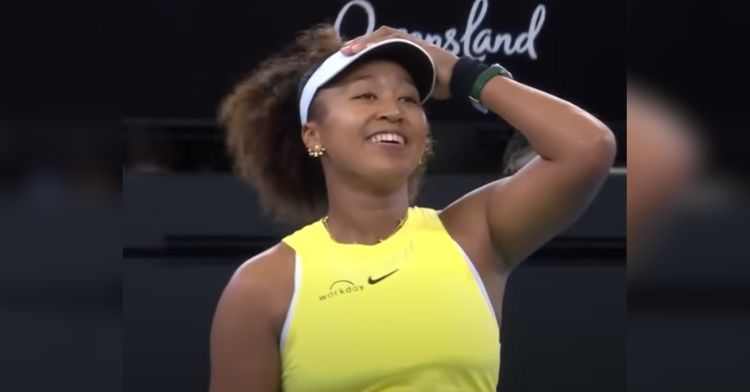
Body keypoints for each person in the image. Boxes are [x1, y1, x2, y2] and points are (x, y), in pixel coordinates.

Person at [209, 24, 615, 391]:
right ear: (314, 135)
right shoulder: (263, 286)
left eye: (408, 98)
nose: (392, 110)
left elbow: (588, 148)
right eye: (366, 95)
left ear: (424, 141)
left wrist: (458, 71)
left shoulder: (473, 235)